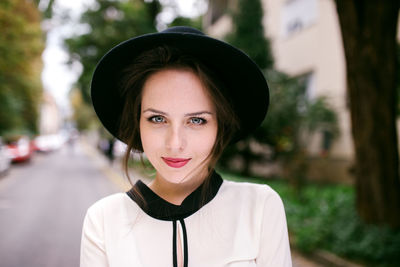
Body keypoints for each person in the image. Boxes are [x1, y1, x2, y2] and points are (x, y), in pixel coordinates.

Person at [81, 26, 292, 267]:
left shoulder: (259, 208)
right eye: (158, 119)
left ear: (219, 127)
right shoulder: (103, 221)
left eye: (196, 120)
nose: (175, 143)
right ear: (137, 123)